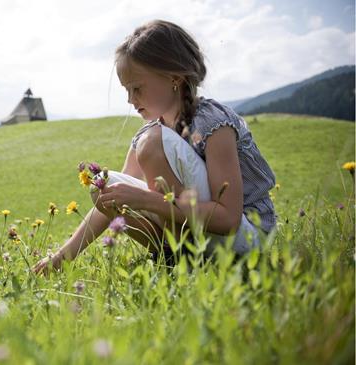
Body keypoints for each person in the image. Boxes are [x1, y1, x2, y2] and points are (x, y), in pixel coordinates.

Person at [33, 19, 276, 274]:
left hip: (247, 237)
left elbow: (228, 219)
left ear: (174, 77)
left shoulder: (213, 123)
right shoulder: (149, 134)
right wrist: (62, 256)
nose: (130, 99)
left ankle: (183, 259)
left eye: (136, 88)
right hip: (199, 235)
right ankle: (177, 258)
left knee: (150, 146)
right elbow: (113, 203)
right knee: (104, 188)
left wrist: (150, 200)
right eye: (126, 90)